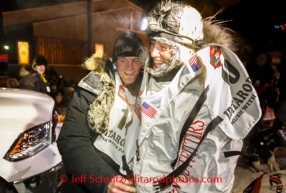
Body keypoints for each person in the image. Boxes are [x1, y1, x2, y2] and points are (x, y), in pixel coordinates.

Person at [132, 1, 262, 192]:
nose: (153, 52)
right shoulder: (152, 75)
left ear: (185, 48)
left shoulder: (209, 92)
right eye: (152, 43)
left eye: (164, 46)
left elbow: (212, 169)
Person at [57, 30, 147, 193]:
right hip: (88, 182)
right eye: (123, 60)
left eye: (135, 60)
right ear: (114, 61)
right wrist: (106, 180)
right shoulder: (93, 85)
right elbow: (72, 140)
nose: (129, 67)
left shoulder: (150, 91)